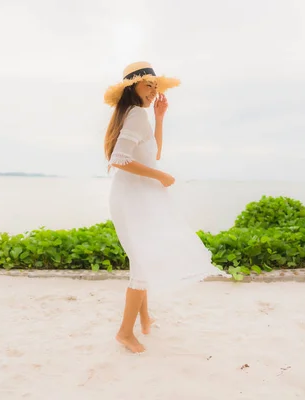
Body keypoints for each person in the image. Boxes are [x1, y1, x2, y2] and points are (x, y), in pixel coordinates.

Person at [103, 61, 229, 353]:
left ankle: (145, 319)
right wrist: (160, 176)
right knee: (142, 262)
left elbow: (154, 153)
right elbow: (119, 159)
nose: (153, 91)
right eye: (148, 85)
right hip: (133, 196)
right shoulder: (134, 115)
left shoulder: (137, 116)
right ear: (132, 87)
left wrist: (159, 118)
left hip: (134, 194)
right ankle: (125, 332)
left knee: (143, 258)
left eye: (155, 86)